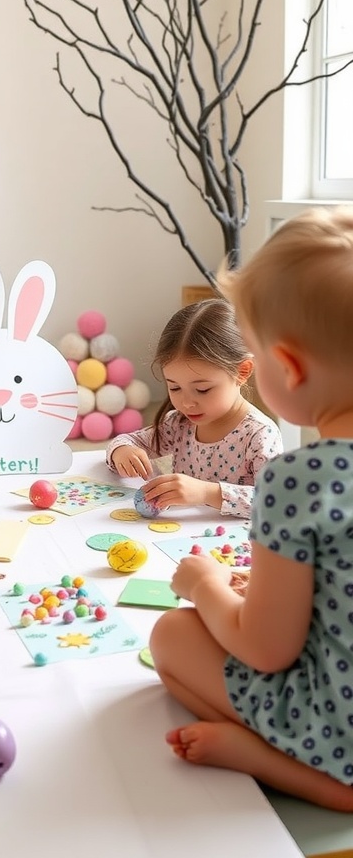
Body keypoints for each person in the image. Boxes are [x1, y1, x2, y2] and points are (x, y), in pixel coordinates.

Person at [149, 206, 353, 811]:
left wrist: (209, 584)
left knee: (171, 635)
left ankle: (294, 769)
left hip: (337, 729)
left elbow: (267, 650)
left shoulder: (298, 477)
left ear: (282, 369)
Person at [106, 298, 283, 520]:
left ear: (243, 371)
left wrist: (205, 492)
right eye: (175, 387)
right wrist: (122, 452)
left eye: (202, 390)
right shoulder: (179, 423)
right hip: (180, 539)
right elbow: (127, 441)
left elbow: (277, 505)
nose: (186, 403)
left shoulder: (260, 434)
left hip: (235, 549)